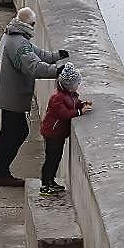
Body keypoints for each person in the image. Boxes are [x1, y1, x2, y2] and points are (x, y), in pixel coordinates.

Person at [0, 7, 70, 187]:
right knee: (16, 132)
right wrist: (58, 71)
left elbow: (37, 54)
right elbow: (33, 67)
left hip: (9, 94)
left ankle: (1, 171)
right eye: (33, 24)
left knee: (9, 133)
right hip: (13, 97)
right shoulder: (18, 43)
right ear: (29, 24)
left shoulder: (14, 35)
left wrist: (56, 56)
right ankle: (2, 173)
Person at [39, 63, 92, 195]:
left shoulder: (70, 95)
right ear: (69, 85)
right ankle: (45, 185)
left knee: (56, 158)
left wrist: (82, 104)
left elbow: (73, 104)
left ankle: (51, 182)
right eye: (76, 84)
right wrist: (80, 111)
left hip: (59, 134)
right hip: (52, 133)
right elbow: (64, 114)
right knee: (51, 159)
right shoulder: (57, 98)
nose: (78, 86)